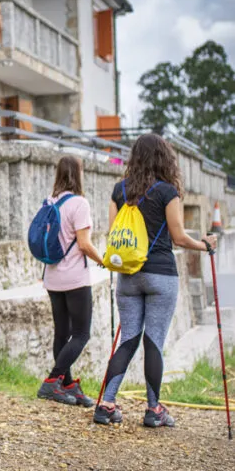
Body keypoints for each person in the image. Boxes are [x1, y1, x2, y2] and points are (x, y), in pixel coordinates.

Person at [93, 133, 217, 428]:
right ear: (164, 158)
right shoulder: (166, 192)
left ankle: (106, 403)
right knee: (153, 342)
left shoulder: (118, 191)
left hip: (127, 275)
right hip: (160, 273)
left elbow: (116, 233)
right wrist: (205, 245)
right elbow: (178, 236)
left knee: (129, 339)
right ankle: (153, 410)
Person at [36, 156, 104, 407]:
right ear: (78, 173)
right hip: (75, 278)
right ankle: (52, 381)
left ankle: (66, 385)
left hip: (52, 278)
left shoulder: (50, 201)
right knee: (81, 334)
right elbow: (84, 244)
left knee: (62, 333)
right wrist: (103, 260)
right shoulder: (79, 203)